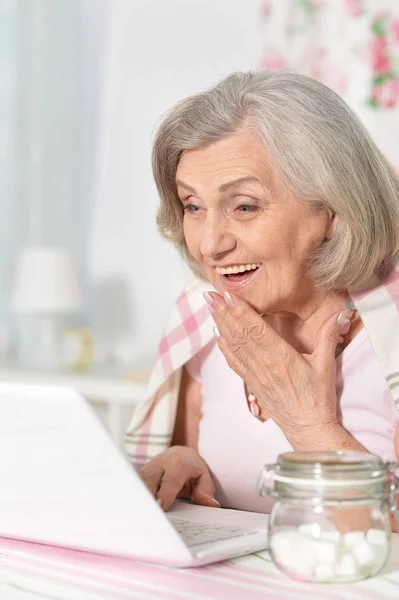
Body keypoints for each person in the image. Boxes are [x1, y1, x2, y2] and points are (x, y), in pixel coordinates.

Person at [125, 70, 399, 524]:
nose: (210, 244)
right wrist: (188, 465)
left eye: (245, 206)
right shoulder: (202, 320)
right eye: (192, 205)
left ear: (332, 209)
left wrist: (308, 423)